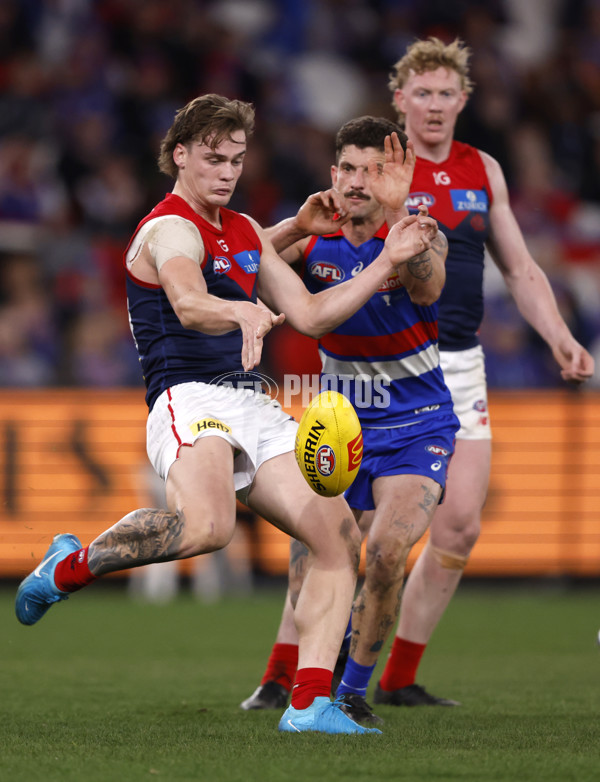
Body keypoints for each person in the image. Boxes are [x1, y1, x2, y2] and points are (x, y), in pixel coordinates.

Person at [15, 93, 439, 736]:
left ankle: (310, 704)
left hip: (252, 400)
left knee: (336, 537)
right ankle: (70, 565)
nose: (227, 171)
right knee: (208, 529)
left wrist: (381, 257)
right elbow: (188, 300)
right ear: (180, 155)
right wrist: (236, 309)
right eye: (214, 158)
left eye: (237, 160)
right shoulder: (168, 227)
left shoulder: (241, 229)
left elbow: (313, 315)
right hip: (187, 399)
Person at [241, 38, 595, 720]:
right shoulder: (364, 180)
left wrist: (558, 335)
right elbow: (252, 258)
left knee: (449, 530)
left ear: (463, 101)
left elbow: (514, 268)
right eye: (422, 93)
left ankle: (389, 676)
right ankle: (286, 673)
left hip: (446, 364)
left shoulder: (476, 171)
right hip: (352, 385)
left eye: (446, 94)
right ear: (399, 101)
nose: (434, 106)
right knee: (325, 539)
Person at [241, 115, 458, 726]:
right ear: (333, 174)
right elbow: (231, 257)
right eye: (351, 169)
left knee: (387, 554)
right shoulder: (313, 236)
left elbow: (427, 287)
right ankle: (286, 676)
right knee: (312, 555)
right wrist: (289, 227)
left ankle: (351, 691)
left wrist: (398, 218)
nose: (361, 181)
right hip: (339, 423)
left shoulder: (419, 233)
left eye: (375, 169)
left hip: (417, 424)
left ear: (393, 176)